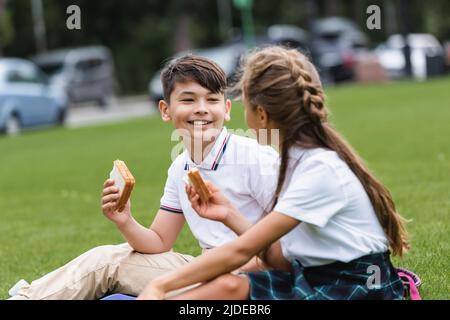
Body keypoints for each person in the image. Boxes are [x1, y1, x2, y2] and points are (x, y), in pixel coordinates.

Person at [138, 46, 409, 300]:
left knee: (227, 284)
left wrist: (160, 285)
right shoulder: (294, 162)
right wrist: (229, 214)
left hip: (353, 287)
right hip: (312, 275)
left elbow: (240, 251)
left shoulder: (319, 169)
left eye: (244, 104)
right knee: (228, 286)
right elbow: (278, 258)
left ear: (262, 114)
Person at [8, 55, 279, 300]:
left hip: (251, 279)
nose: (201, 109)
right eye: (188, 99)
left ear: (227, 108)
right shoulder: (180, 168)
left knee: (112, 266)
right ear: (165, 110)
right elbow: (160, 242)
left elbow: (286, 248)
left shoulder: (255, 158)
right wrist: (125, 221)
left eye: (211, 100)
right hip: (206, 269)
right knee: (108, 259)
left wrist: (212, 269)